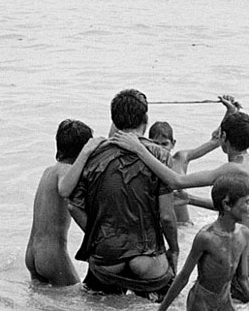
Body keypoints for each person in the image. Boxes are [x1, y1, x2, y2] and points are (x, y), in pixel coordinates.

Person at [112, 108, 249, 300]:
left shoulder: (234, 169)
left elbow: (175, 182)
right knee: (243, 310)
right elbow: (235, 210)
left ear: (224, 137)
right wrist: (190, 200)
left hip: (247, 256)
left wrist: (139, 149)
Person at [68, 89, 178, 298]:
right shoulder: (160, 156)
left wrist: (99, 236)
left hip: (106, 258)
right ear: (145, 119)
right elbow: (166, 216)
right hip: (147, 260)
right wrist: (174, 250)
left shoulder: (92, 155)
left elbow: (73, 206)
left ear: (114, 121)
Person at [142, 175, 249, 311]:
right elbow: (183, 277)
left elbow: (243, 279)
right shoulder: (206, 238)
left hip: (224, 300)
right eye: (247, 202)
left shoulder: (244, 234)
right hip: (200, 301)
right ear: (227, 204)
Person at [25, 119, 103, 286]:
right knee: (77, 299)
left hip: (32, 252)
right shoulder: (65, 170)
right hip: (52, 256)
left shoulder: (49, 171)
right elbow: (65, 189)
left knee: (43, 305)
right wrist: (86, 153)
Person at [148, 95, 243, 223]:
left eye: (164, 144)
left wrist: (229, 112)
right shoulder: (146, 162)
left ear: (173, 143)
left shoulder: (181, 159)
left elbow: (215, 141)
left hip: (185, 226)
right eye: (155, 144)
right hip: (163, 227)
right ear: (148, 144)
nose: (160, 149)